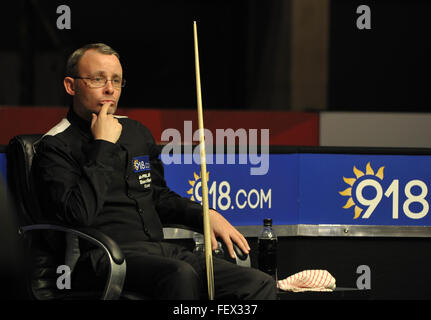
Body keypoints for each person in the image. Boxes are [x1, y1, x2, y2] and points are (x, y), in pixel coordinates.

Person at [32, 43, 277, 300]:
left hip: (158, 252)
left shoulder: (136, 132)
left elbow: (158, 197)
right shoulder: (54, 145)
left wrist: (205, 216)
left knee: (257, 283)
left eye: (116, 80)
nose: (110, 89)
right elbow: (76, 214)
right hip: (101, 258)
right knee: (180, 274)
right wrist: (102, 145)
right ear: (71, 86)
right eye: (97, 79)